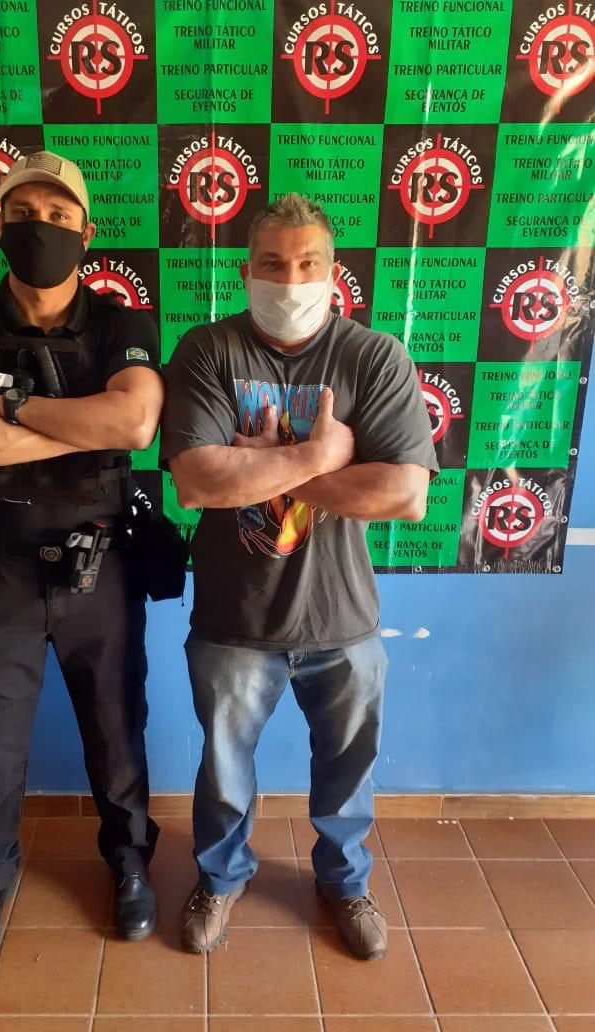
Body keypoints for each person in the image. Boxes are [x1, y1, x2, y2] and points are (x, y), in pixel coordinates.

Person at [160, 193, 438, 960]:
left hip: (342, 619)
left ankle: (345, 884)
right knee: (223, 772)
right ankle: (220, 878)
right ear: (245, 270)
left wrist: (269, 467)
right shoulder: (208, 351)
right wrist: (322, 455)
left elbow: (405, 495)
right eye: (273, 263)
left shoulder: (373, 357)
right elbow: (198, 482)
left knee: (349, 773)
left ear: (333, 271)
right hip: (234, 619)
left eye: (308, 263)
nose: (290, 280)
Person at [0, 151, 163, 962]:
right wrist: (74, 427)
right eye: (21, 214)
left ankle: (130, 865)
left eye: (56, 215)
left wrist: (8, 408)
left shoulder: (122, 323)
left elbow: (132, 425)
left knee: (117, 731)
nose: (38, 228)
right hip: (2, 568)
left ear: (88, 231)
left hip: (101, 566)